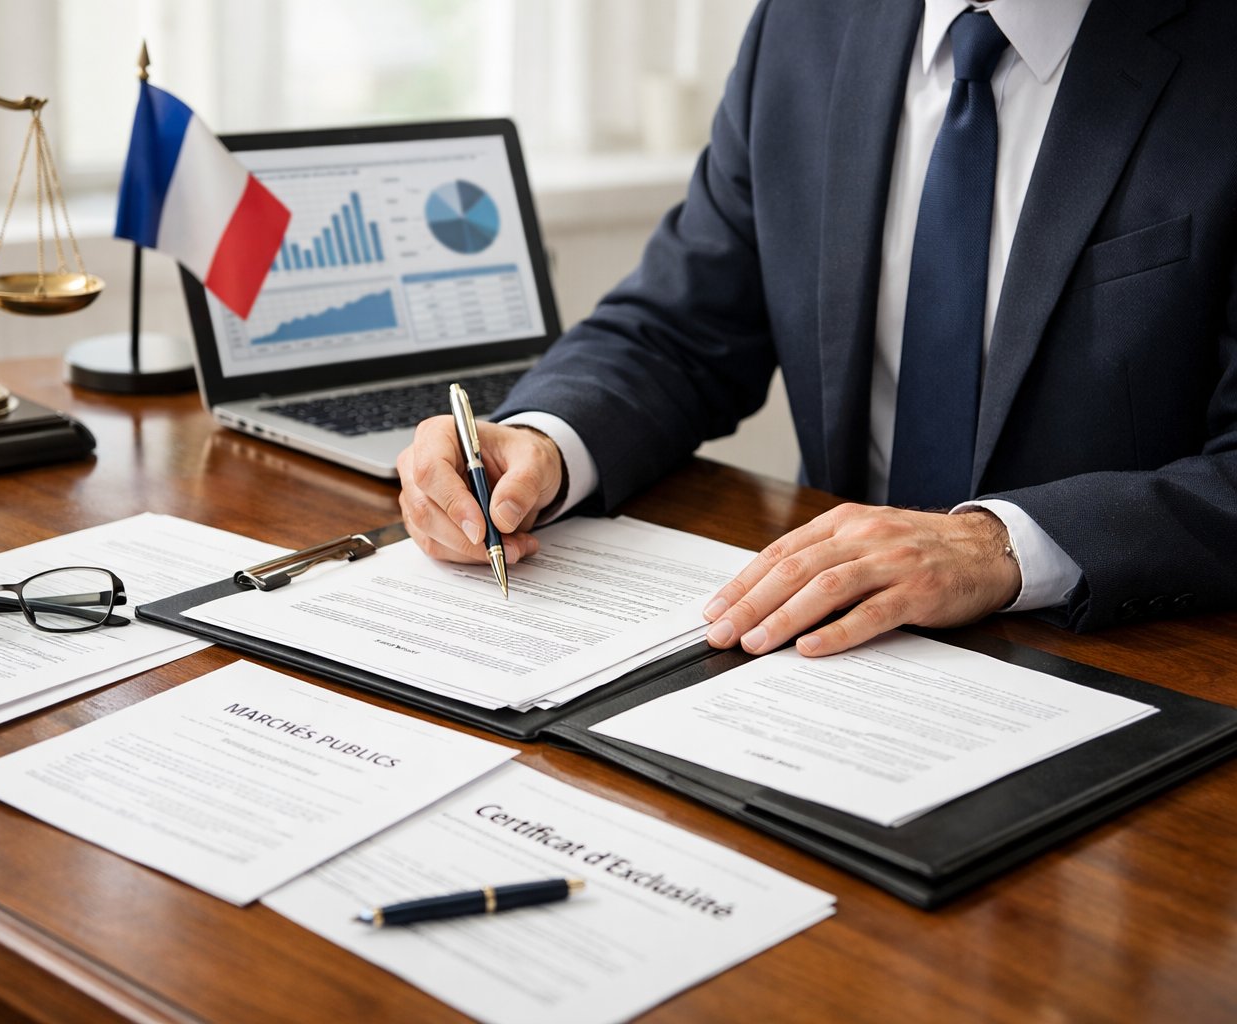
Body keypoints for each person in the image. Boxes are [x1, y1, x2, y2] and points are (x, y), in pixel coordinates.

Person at [397, 0, 1237, 658]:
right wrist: (541, 441)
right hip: (820, 645)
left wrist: (997, 548)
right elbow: (679, 326)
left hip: (1115, 651)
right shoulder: (805, 24)